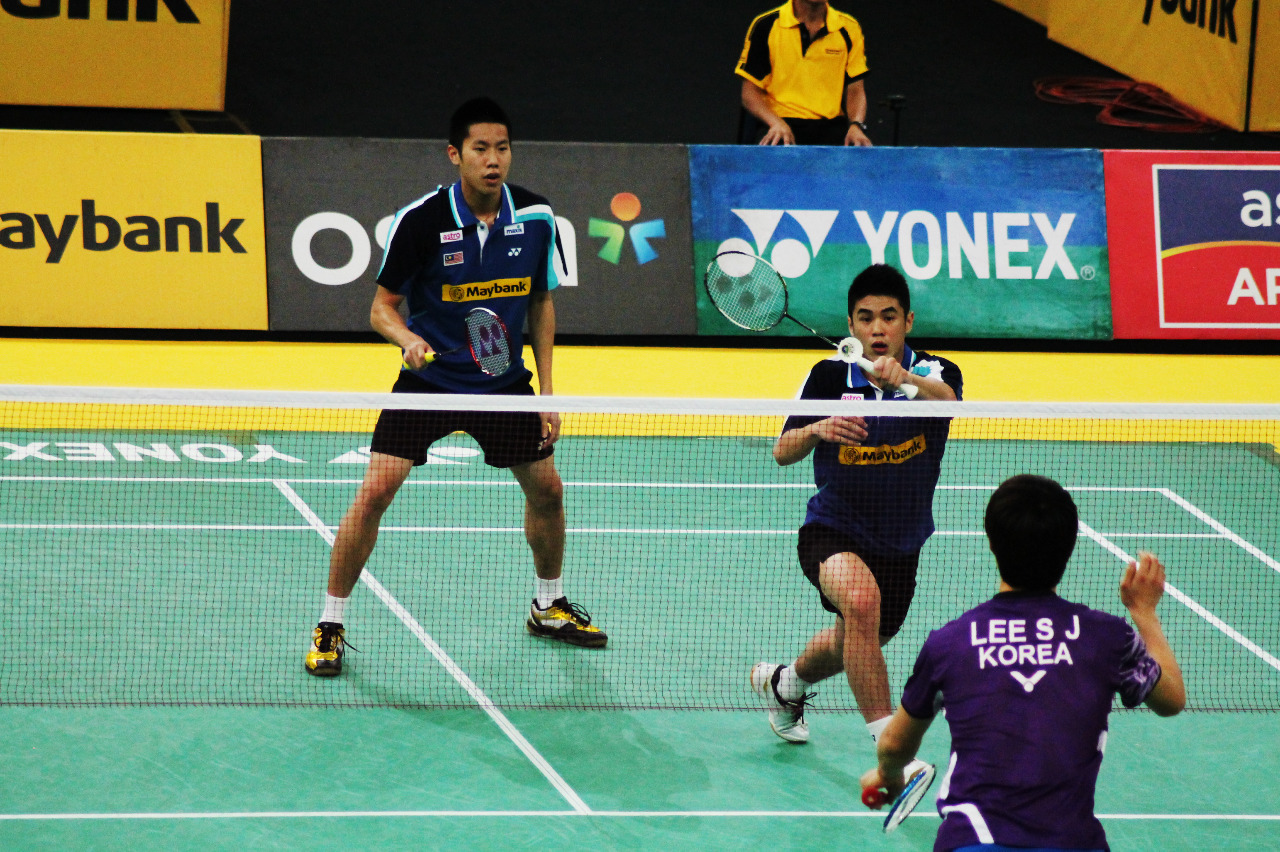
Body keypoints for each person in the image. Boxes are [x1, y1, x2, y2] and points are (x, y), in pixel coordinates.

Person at [305, 97, 605, 677]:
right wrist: (406, 340)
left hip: (502, 382)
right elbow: (381, 308)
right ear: (454, 154)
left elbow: (541, 302)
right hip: (431, 381)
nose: (494, 160)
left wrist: (549, 391)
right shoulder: (420, 220)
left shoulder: (537, 216)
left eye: (503, 148)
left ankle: (548, 605)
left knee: (548, 491)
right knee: (376, 492)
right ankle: (330, 622)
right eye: (480, 149)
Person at [862, 475, 1185, 850]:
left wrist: (888, 775)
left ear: (992, 543)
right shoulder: (1106, 637)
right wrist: (1144, 612)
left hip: (973, 841)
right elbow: (1171, 699)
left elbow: (894, 745)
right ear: (1069, 548)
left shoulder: (950, 643)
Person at [751, 265, 961, 811]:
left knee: (857, 636)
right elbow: (782, 451)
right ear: (851, 325)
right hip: (832, 528)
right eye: (866, 318)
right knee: (862, 604)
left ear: (908, 321)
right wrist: (817, 428)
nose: (877, 328)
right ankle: (896, 758)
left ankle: (786, 685)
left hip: (901, 541)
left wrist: (905, 381)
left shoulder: (935, 370)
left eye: (889, 317)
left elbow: (949, 403)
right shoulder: (828, 376)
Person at [735, 0, 873, 146]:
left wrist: (856, 126)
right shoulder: (767, 25)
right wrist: (776, 123)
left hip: (830, 129)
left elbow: (855, 90)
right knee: (775, 142)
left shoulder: (849, 28)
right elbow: (750, 93)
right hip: (779, 124)